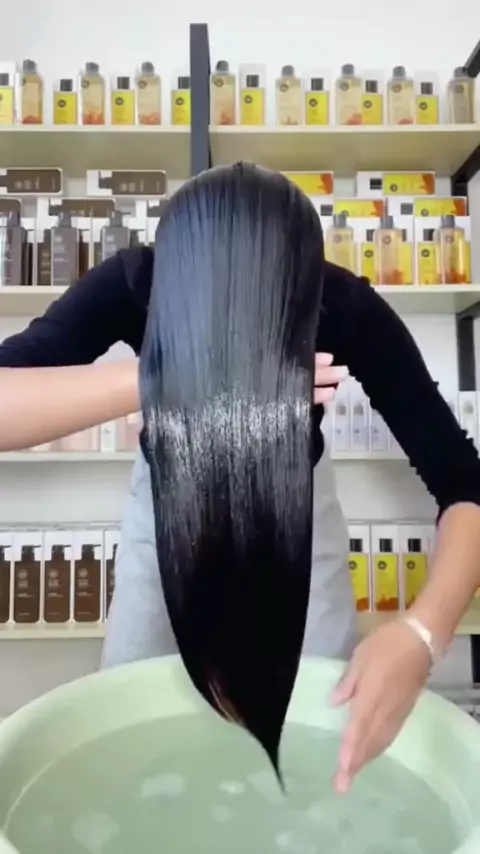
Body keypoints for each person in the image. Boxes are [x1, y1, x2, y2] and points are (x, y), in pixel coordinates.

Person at [1, 188, 480, 795]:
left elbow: (465, 484)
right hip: (165, 517)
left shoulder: (339, 301)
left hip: (298, 520)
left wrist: (422, 634)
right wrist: (170, 378)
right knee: (135, 736)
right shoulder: (136, 282)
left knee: (312, 744)